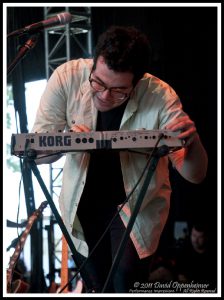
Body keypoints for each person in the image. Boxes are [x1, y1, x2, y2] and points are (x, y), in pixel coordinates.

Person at [32, 26, 208, 293]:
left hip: (136, 208)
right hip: (80, 206)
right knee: (95, 284)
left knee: (124, 280)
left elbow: (194, 174)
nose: (104, 96)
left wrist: (192, 143)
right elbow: (37, 151)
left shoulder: (161, 97)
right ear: (94, 63)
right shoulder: (67, 78)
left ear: (137, 82)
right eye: (98, 83)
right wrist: (68, 140)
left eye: (118, 91)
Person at [176, 222, 217, 289]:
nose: (195, 240)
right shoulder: (185, 249)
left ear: (206, 237)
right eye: (194, 235)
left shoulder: (213, 254)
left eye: (200, 237)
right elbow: (180, 274)